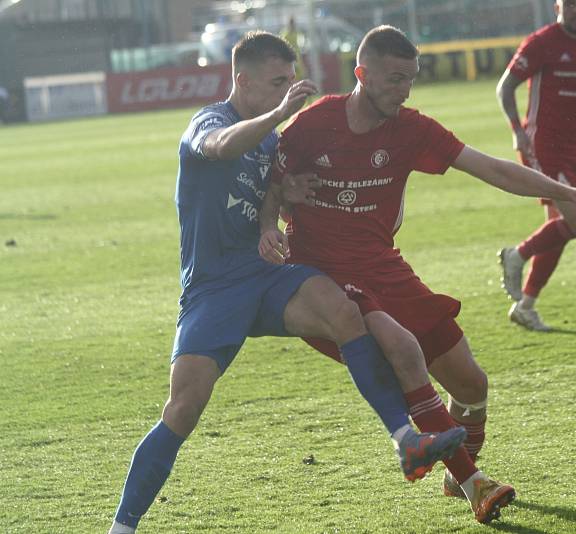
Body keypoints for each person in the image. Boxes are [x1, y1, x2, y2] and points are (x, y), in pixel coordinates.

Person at [107, 32, 467, 534]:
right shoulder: (210, 122)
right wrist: (278, 115)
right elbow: (220, 147)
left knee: (343, 308)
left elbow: (271, 195)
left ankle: (406, 439)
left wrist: (281, 203)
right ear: (242, 80)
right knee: (184, 408)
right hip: (213, 289)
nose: (286, 90)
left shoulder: (273, 142)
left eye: (291, 81)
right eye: (277, 82)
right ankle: (122, 528)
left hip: (268, 275)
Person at [258, 25, 576, 523]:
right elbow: (265, 180)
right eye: (394, 79)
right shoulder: (314, 124)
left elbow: (491, 168)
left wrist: (570, 195)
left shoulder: (412, 129)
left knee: (472, 383)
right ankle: (475, 485)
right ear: (361, 74)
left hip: (385, 266)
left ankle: (457, 471)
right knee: (402, 350)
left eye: (410, 80)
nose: (403, 91)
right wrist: (274, 214)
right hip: (325, 276)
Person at [495, 0, 576, 331]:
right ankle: (517, 255)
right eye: (571, 4)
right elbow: (505, 87)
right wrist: (517, 131)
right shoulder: (542, 42)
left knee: (560, 231)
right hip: (541, 143)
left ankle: (526, 306)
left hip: (572, 147)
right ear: (558, 7)